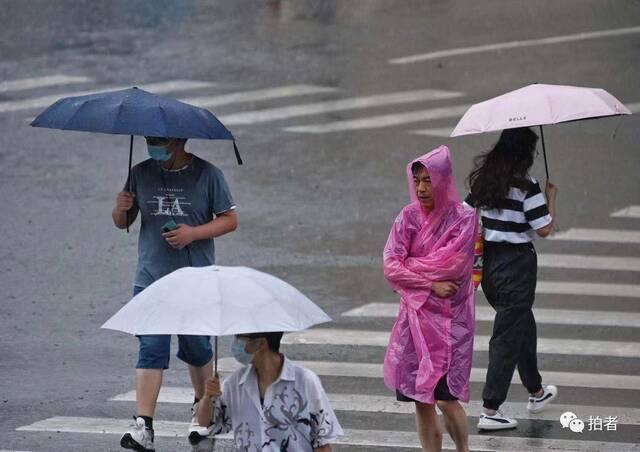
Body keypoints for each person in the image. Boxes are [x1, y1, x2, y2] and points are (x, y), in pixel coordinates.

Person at [112, 136, 238, 451]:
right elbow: (122, 223)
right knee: (150, 349)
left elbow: (230, 220)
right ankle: (144, 426)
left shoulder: (208, 175)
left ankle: (204, 412)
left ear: (180, 139)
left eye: (159, 140)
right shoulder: (140, 173)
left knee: (196, 348)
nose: (152, 144)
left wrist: (192, 234)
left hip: (195, 277)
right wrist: (121, 208)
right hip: (151, 278)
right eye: (148, 139)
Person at [383, 145, 477, 452]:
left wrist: (410, 265)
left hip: (450, 327)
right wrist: (428, 284)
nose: (422, 188)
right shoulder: (407, 217)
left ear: (443, 180)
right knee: (420, 399)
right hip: (414, 323)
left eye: (428, 180)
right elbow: (390, 266)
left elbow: (454, 265)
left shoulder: (464, 218)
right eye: (417, 181)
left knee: (446, 398)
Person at [465, 127, 558, 431]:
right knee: (506, 338)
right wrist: (550, 198)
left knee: (521, 328)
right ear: (523, 153)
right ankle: (491, 410)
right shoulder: (526, 185)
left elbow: (464, 214)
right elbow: (544, 228)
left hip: (490, 265)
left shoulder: (485, 181)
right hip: (517, 267)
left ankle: (536, 392)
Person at [195, 331, 343, 451]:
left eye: (240, 338)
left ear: (260, 343)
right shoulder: (235, 384)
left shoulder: (306, 382)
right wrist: (207, 397)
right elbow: (205, 423)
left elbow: (322, 444)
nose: (235, 343)